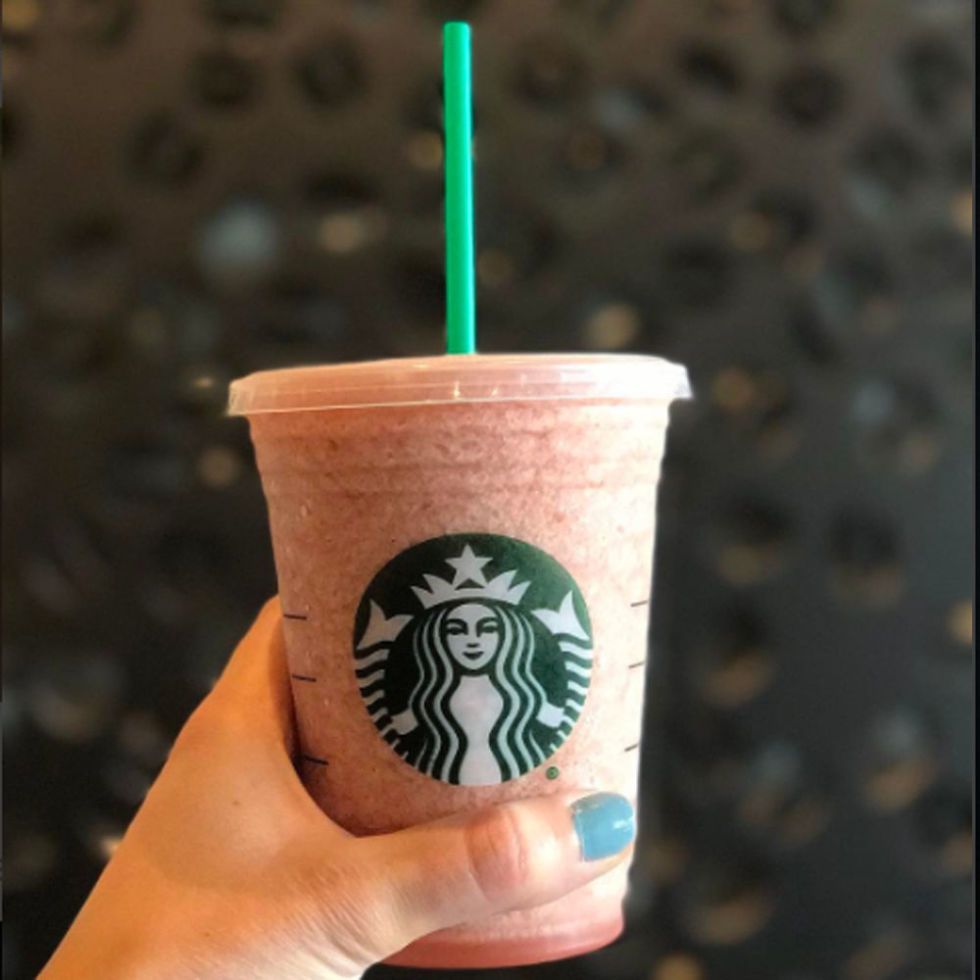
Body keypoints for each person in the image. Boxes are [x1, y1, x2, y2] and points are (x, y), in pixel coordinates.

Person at [41, 598, 636, 979]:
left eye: (486, 626)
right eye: (455, 625)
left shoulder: (516, 703)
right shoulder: (428, 703)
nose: (471, 639)